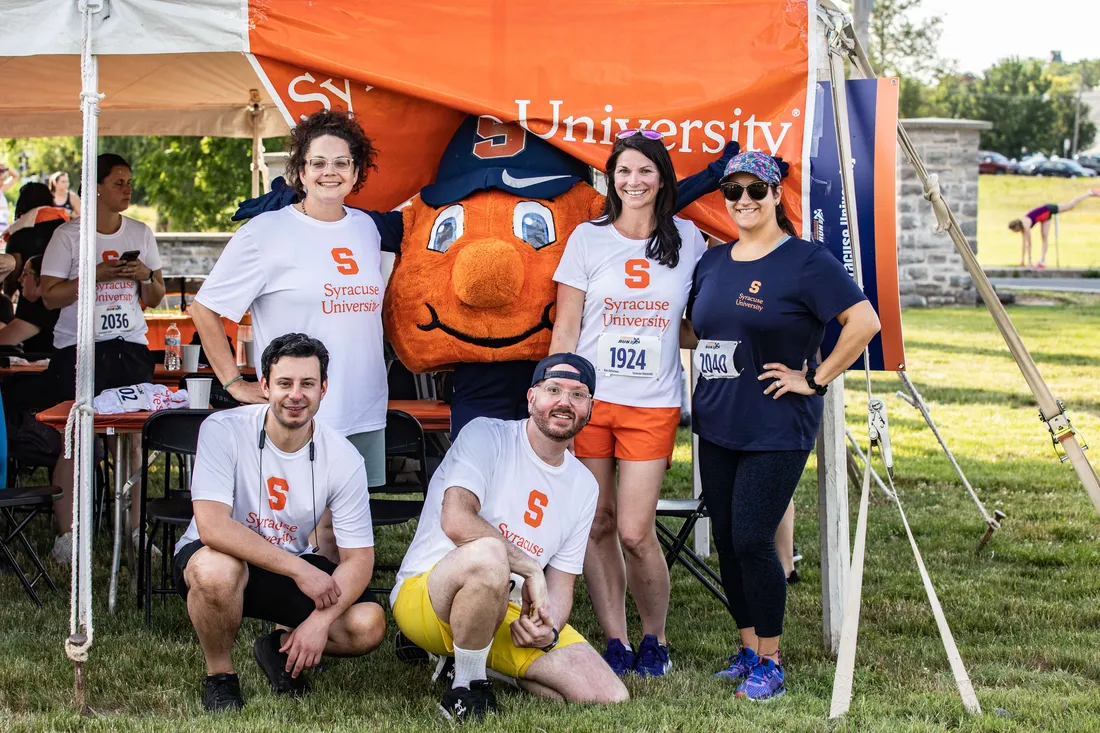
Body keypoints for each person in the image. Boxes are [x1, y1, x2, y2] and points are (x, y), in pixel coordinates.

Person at [683, 151, 880, 700]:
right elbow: (699, 334)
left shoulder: (806, 261)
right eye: (733, 192)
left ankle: (771, 659)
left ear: (775, 196)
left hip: (775, 423)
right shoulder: (714, 261)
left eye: (755, 191)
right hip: (718, 419)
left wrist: (815, 378)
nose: (743, 201)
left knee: (751, 537)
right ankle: (748, 647)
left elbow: (864, 322)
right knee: (725, 538)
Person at [391, 353, 628, 722]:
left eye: (578, 395)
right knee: (489, 555)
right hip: (429, 595)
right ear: (532, 398)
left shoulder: (584, 484)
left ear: (590, 408)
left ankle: (472, 661)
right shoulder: (486, 434)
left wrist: (548, 630)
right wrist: (531, 568)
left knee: (607, 695)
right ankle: (467, 689)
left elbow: (563, 583)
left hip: (505, 611)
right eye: (553, 390)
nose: (564, 402)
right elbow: (456, 520)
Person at [548, 129, 707, 677]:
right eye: (623, 171)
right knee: (596, 522)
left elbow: (695, 325)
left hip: (651, 404)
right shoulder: (587, 240)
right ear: (610, 179)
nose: (633, 181)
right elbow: (567, 325)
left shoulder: (689, 240)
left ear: (662, 177)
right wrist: (555, 395)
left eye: (644, 171)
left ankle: (654, 638)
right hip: (590, 401)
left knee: (636, 531)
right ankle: (615, 639)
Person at [191, 109, 388, 549]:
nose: (329, 172)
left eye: (341, 162)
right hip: (299, 408)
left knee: (344, 530)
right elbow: (205, 308)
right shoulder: (266, 232)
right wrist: (233, 382)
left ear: (357, 171)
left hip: (362, 405)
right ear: (300, 170)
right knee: (298, 531)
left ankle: (334, 616)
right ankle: (296, 615)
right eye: (318, 162)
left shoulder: (367, 230)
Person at [173, 333, 385, 712]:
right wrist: (300, 570)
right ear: (265, 385)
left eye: (307, 384)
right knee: (217, 570)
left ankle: (278, 647)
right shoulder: (223, 429)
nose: (295, 395)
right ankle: (221, 677)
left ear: (323, 388)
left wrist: (320, 622)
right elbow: (213, 527)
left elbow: (360, 560)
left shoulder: (344, 457)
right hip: (220, 555)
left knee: (368, 625)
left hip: (289, 563)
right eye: (284, 383)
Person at [40, 153, 165, 563]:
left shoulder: (141, 233)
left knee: (130, 443)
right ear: (95, 187)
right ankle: (67, 536)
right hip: (78, 346)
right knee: (76, 441)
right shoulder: (68, 236)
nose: (128, 189)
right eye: (119, 182)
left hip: (128, 345)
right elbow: (48, 295)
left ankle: (132, 532)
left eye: (130, 181)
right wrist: (93, 276)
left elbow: (155, 296)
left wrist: (144, 276)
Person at [1009, 189, 1099, 269]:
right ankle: (1042, 260)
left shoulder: (1026, 225)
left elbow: (1029, 243)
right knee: (1044, 237)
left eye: (1014, 231)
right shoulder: (1023, 228)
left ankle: (1089, 193)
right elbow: (1024, 245)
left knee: (1070, 205)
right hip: (1044, 218)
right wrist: (1022, 261)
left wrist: (1029, 261)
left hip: (1047, 209)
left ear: (1016, 227)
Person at [0, 256, 59, 354]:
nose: (19, 279)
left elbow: (2, 340)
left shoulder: (43, 309)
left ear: (41, 278)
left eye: (25, 273)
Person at [0, 160, 20, 236]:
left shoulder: (2, 189)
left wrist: (6, 168)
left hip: (4, 227)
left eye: (2, 172)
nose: (1, 174)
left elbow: (16, 176)